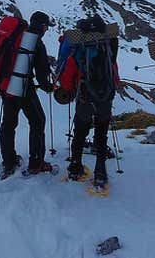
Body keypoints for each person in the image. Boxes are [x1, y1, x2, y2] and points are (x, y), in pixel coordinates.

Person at [56, 14, 120, 188]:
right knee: (101, 135)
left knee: (80, 133)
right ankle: (100, 172)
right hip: (105, 98)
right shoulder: (108, 47)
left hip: (85, 97)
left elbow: (68, 77)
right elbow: (115, 76)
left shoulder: (79, 49)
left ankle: (75, 167)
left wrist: (68, 89)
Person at [0, 11, 55, 180]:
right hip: (24, 88)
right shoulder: (36, 42)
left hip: (7, 86)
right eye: (46, 27)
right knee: (38, 121)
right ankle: (36, 163)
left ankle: (9, 162)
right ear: (43, 27)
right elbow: (42, 73)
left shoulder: (16, 36)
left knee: (9, 123)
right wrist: (49, 87)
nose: (46, 30)